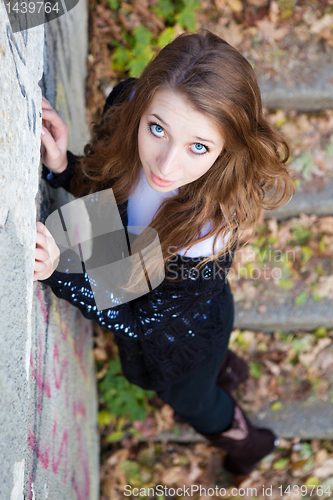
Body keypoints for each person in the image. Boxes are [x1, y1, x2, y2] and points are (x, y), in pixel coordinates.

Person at [35, 30, 295, 477]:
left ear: (226, 150)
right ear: (141, 108)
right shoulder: (127, 106)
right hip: (133, 279)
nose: (166, 164)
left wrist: (57, 272)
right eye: (158, 129)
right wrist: (64, 167)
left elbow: (137, 319)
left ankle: (250, 444)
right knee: (214, 372)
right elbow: (110, 194)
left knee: (196, 402)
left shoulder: (208, 241)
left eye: (199, 147)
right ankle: (228, 370)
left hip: (185, 335)